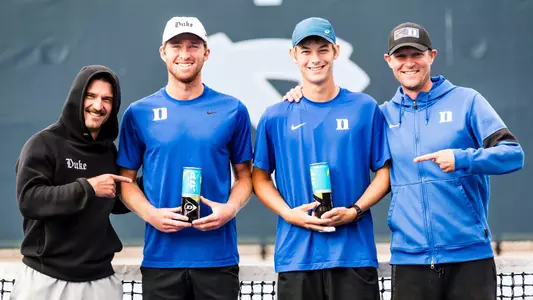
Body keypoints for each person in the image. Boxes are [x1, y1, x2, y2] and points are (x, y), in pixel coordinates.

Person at [284, 22, 525, 300]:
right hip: (410, 261)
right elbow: (332, 115)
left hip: (470, 255)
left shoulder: (467, 101)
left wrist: (462, 158)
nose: (409, 63)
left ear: (431, 56)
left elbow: (512, 155)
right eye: (401, 56)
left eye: (416, 55)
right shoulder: (381, 115)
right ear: (389, 61)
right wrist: (299, 93)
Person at [252, 17, 391, 300]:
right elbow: (260, 177)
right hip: (296, 257)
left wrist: (355, 210)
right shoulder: (276, 116)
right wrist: (287, 213)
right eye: (306, 51)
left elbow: (385, 172)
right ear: (294, 56)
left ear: (336, 52)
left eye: (323, 49)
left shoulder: (365, 108)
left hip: (354, 257)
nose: (315, 59)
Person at [116, 17, 253, 300]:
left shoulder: (233, 110)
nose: (185, 53)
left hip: (218, 260)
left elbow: (246, 176)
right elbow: (125, 181)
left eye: (193, 46)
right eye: (176, 45)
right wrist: (150, 214)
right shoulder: (138, 113)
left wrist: (230, 208)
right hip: (160, 260)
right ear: (163, 52)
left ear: (206, 53)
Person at [12, 65, 132, 300]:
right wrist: (87, 187)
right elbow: (29, 200)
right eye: (91, 96)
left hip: (101, 282)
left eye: (107, 99)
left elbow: (115, 201)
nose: (98, 106)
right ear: (77, 97)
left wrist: (152, 181)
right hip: (45, 280)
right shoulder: (43, 143)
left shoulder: (109, 152)